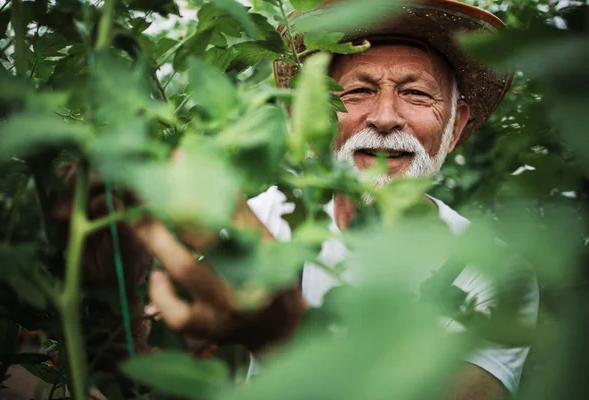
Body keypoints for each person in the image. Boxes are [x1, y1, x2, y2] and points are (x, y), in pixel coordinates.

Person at [53, 1, 539, 399]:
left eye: (416, 94)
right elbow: (138, 373)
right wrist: (112, 283)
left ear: (454, 127)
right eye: (357, 92)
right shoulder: (262, 218)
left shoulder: (495, 270)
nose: (386, 117)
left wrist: (283, 336)